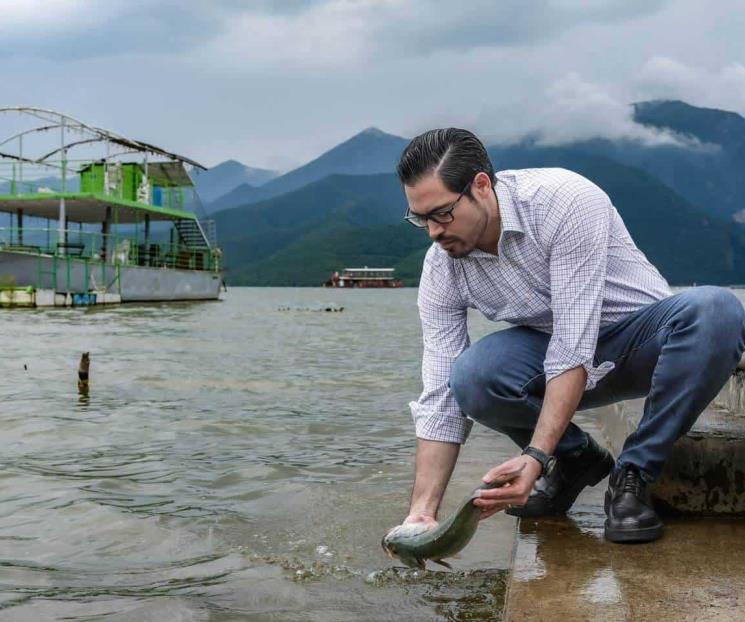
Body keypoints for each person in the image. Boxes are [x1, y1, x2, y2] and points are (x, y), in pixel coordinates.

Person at [397, 128, 745, 543]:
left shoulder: (563, 200)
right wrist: (421, 514)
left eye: (442, 213)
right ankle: (578, 459)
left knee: (716, 310)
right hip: (557, 358)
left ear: (481, 186)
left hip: (645, 343)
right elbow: (440, 394)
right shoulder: (442, 268)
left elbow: (572, 346)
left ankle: (632, 474)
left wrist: (534, 457)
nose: (433, 232)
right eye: (420, 219)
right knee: (470, 377)